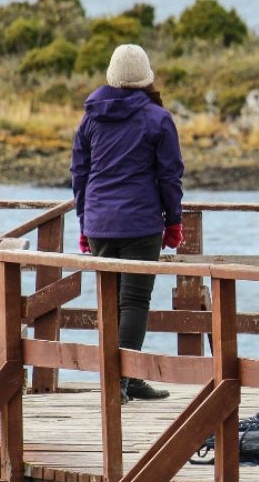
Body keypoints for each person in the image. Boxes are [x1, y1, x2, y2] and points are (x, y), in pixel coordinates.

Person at [71, 43, 184, 403]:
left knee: (110, 302)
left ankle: (126, 379)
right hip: (140, 222)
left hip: (100, 221)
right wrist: (174, 221)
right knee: (134, 301)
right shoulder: (157, 119)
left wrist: (84, 221)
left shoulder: (90, 119)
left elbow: (80, 173)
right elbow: (170, 176)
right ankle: (120, 381)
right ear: (145, 77)